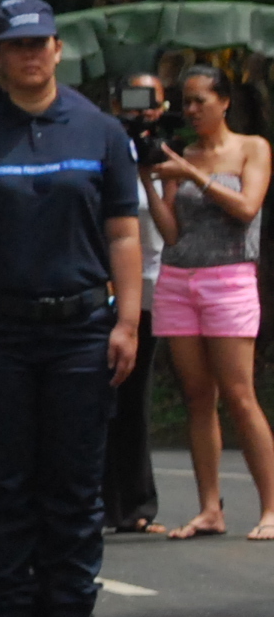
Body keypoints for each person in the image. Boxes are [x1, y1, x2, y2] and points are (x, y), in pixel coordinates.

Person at [0, 0, 141, 617]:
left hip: (81, 327)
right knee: (6, 483)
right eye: (15, 44)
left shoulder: (100, 130)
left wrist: (129, 320)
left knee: (75, 485)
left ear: (58, 48)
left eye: (39, 43)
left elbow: (123, 233)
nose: (29, 55)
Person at [144, 64, 274, 539]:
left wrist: (192, 174)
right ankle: (208, 508)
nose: (192, 109)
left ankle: (270, 509)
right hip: (180, 279)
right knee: (198, 396)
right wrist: (149, 179)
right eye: (186, 102)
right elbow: (172, 232)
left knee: (239, 394)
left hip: (229, 278)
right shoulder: (182, 154)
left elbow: (246, 208)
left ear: (225, 102)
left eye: (200, 100)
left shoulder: (252, 148)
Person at [102, 71, 169, 533]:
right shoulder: (102, 147)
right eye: (131, 100)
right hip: (107, 288)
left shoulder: (172, 154)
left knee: (135, 399)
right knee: (99, 396)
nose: (141, 109)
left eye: (151, 101)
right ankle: (98, 502)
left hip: (155, 290)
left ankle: (136, 503)